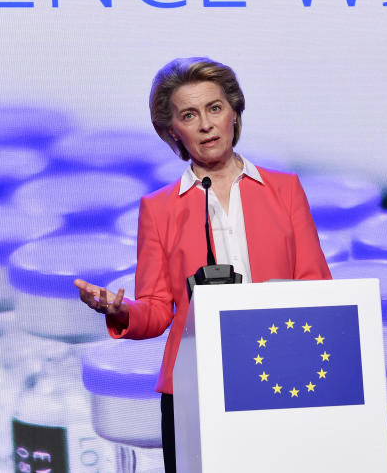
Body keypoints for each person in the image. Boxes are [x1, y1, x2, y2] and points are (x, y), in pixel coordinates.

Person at [74, 57, 331, 472]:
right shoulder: (159, 209)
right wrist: (120, 310)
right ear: (172, 131)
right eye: (189, 115)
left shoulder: (285, 191)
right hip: (195, 388)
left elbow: (317, 286)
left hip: (277, 375)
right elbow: (157, 311)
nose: (207, 124)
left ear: (234, 111)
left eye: (214, 108)